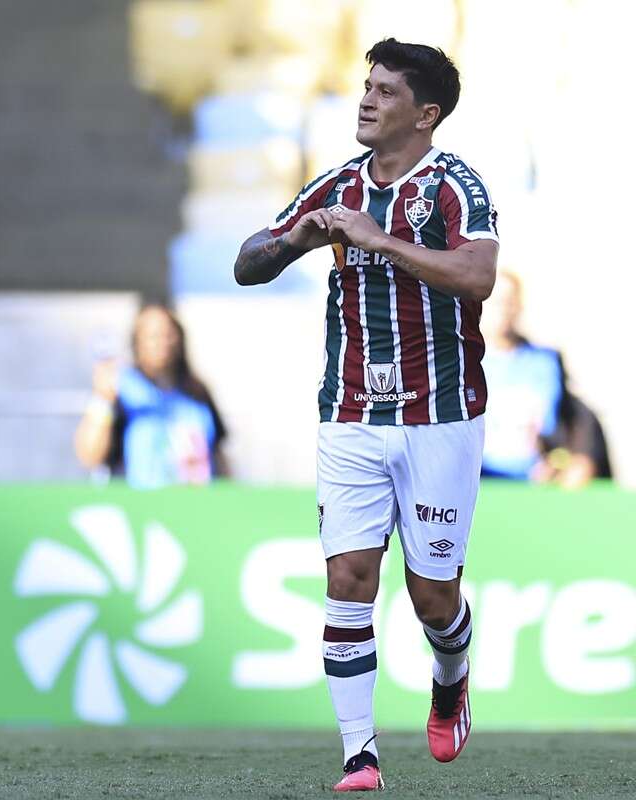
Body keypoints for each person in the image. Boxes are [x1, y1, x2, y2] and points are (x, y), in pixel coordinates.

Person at [234, 39, 498, 791]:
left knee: (431, 595)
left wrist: (380, 241)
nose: (366, 99)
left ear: (426, 113)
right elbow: (245, 264)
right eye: (366, 85)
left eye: (385, 91)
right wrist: (292, 240)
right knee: (349, 574)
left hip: (440, 414)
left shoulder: (453, 188)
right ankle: (360, 754)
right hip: (350, 409)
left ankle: (451, 674)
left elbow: (477, 276)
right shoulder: (338, 185)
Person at [74, 303, 228, 487]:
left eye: (167, 334)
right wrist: (102, 399)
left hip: (193, 504)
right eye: (152, 336)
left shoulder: (196, 392)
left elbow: (218, 453)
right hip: (140, 507)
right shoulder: (121, 388)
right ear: (137, 341)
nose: (161, 342)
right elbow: (90, 455)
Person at [480, 271, 610, 487]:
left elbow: (574, 418)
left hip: (537, 480)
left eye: (509, 302)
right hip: (478, 479)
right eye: (495, 302)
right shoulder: (460, 364)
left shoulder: (546, 362)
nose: (503, 310)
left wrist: (580, 459)